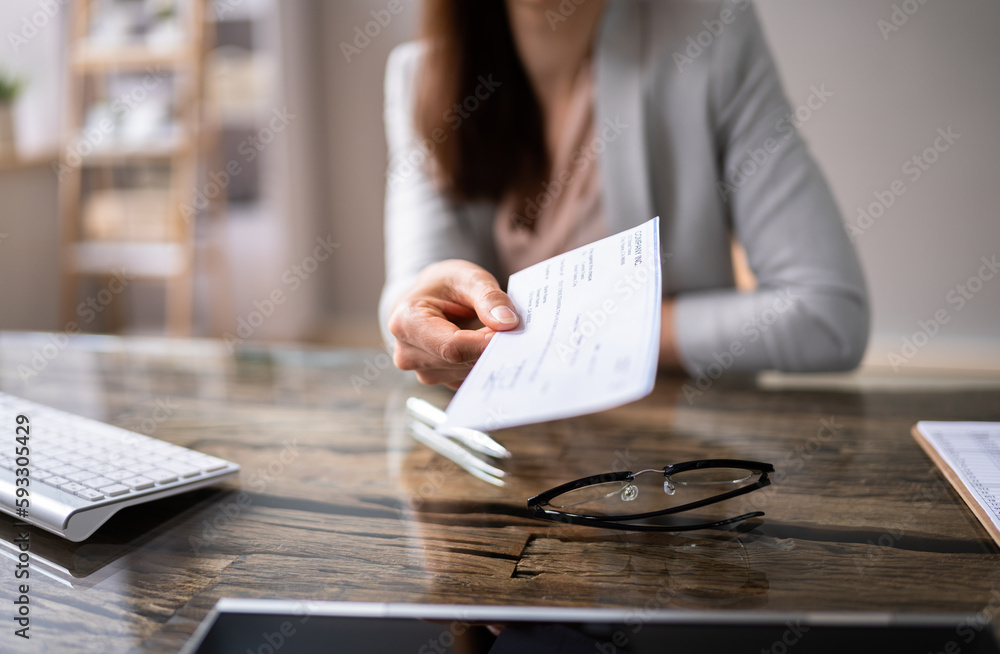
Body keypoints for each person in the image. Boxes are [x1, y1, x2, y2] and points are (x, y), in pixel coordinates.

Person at [380, 0, 869, 390]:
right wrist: (419, 319)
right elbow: (408, 303)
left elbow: (828, 314)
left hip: (677, 453)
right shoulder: (419, 77)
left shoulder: (711, 35)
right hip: (507, 456)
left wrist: (579, 331)